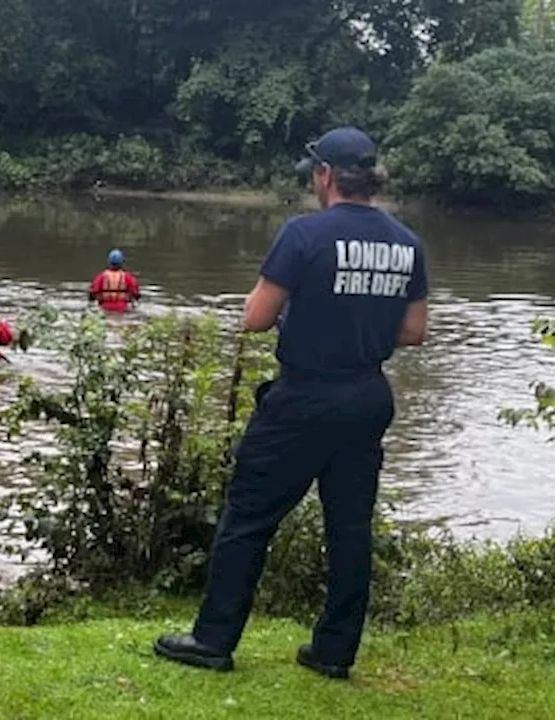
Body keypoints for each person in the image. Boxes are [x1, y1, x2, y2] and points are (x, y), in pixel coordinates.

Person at [152, 126, 429, 680]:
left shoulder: (303, 235)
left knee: (248, 516)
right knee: (349, 528)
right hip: (368, 396)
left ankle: (213, 639)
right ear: (371, 178)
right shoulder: (408, 243)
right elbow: (415, 331)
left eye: (313, 171)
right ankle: (333, 652)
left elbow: (255, 317)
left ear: (325, 175)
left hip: (305, 396)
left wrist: (303, 313)